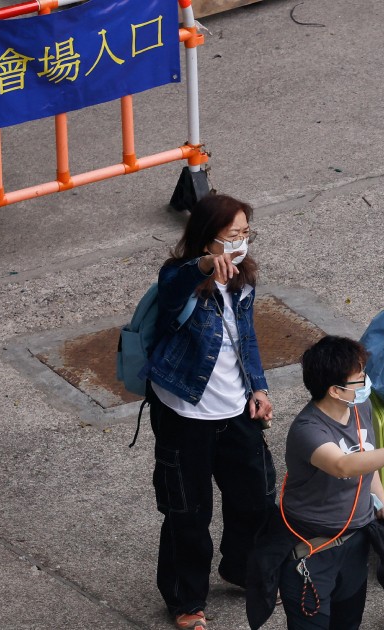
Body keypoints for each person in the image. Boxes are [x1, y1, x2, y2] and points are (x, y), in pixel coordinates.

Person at [145, 193, 277, 629]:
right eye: (231, 236)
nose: (240, 244)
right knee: (188, 511)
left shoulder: (244, 279)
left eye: (245, 234)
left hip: (236, 409)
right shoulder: (181, 277)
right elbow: (174, 286)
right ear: (206, 240)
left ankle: (238, 567)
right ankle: (187, 602)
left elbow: (248, 338)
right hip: (185, 414)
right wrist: (203, 267)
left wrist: (258, 387)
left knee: (256, 497)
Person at [245, 335, 384, 630]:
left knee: (348, 622)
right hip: (312, 548)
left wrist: (383, 504)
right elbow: (343, 465)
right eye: (359, 380)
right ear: (335, 390)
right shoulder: (308, 431)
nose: (366, 384)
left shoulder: (360, 408)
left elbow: (367, 461)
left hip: (355, 543)